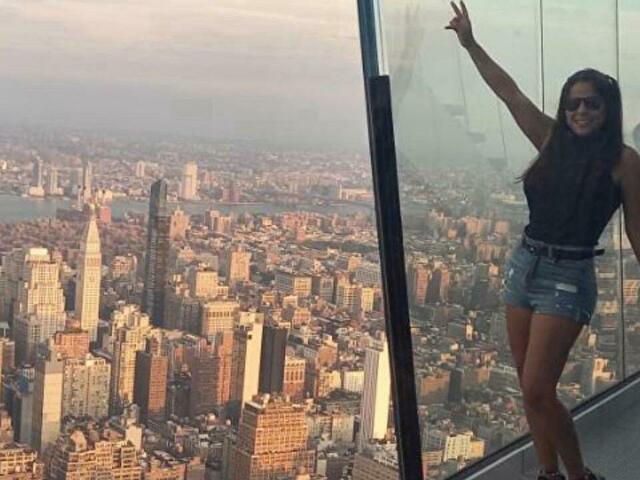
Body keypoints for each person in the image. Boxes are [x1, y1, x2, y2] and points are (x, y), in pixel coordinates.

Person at [446, 2, 640, 480]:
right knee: (527, 386)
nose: (580, 110)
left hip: (569, 277)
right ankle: (548, 473)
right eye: (572, 103)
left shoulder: (624, 161)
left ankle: (579, 476)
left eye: (590, 103)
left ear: (608, 109)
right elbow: (508, 92)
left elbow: (637, 227)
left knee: (537, 388)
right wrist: (470, 44)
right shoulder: (550, 140)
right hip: (524, 267)